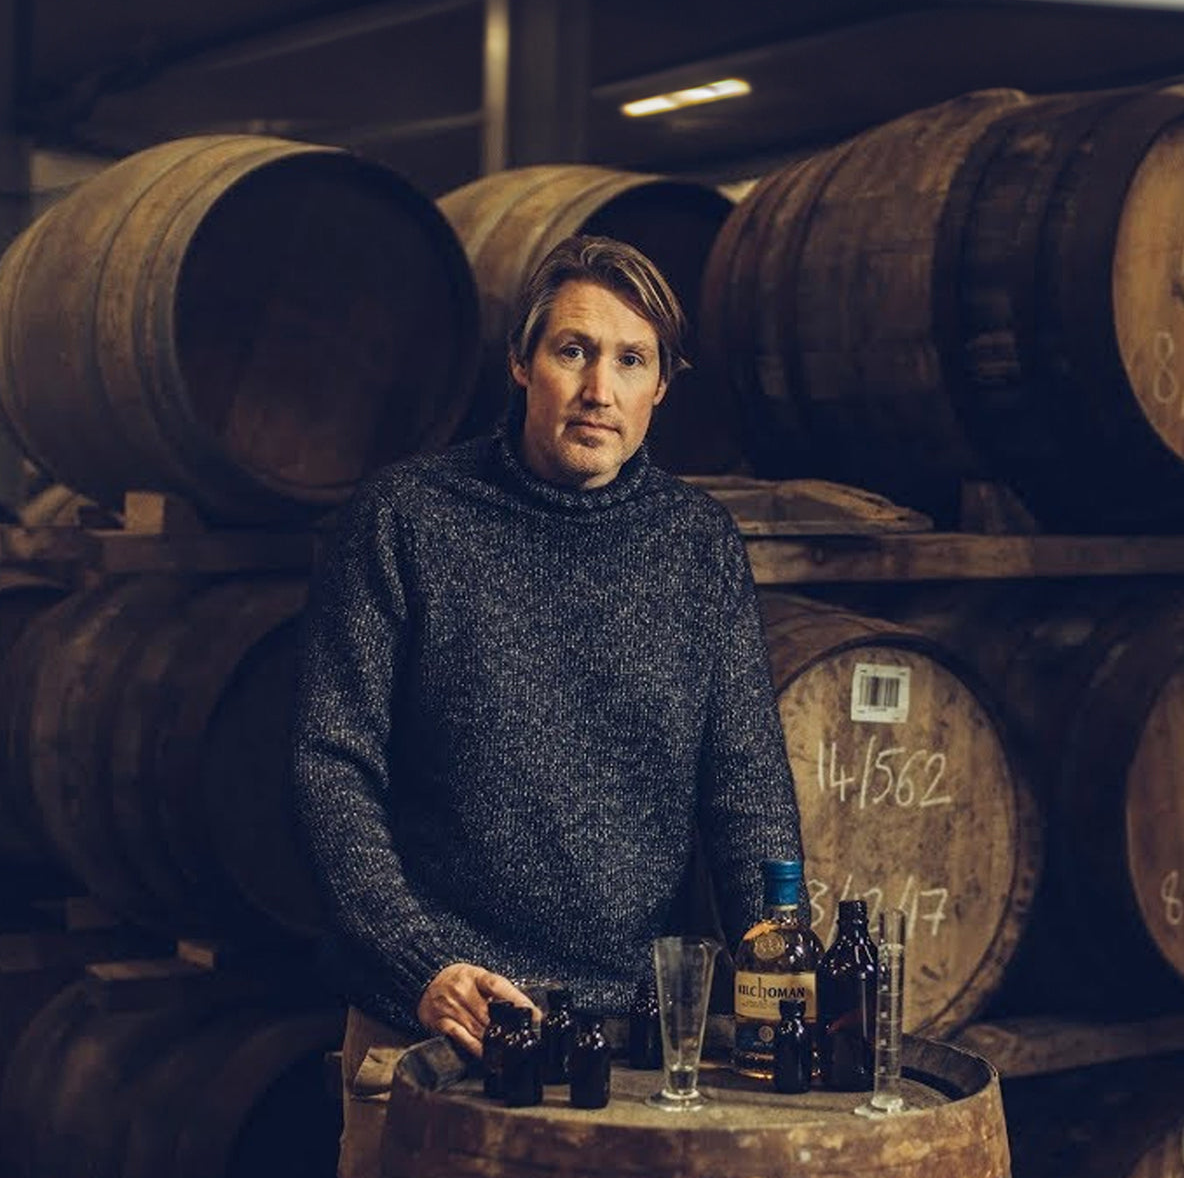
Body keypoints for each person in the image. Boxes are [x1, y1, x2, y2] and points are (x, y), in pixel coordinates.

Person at [292, 234, 807, 1178]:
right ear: (523, 363)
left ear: (662, 388)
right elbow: (333, 766)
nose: (598, 389)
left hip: (632, 1051)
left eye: (631, 359)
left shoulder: (698, 548)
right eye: (573, 350)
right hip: (437, 1030)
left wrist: (786, 983)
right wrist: (424, 962)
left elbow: (746, 792)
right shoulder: (407, 518)